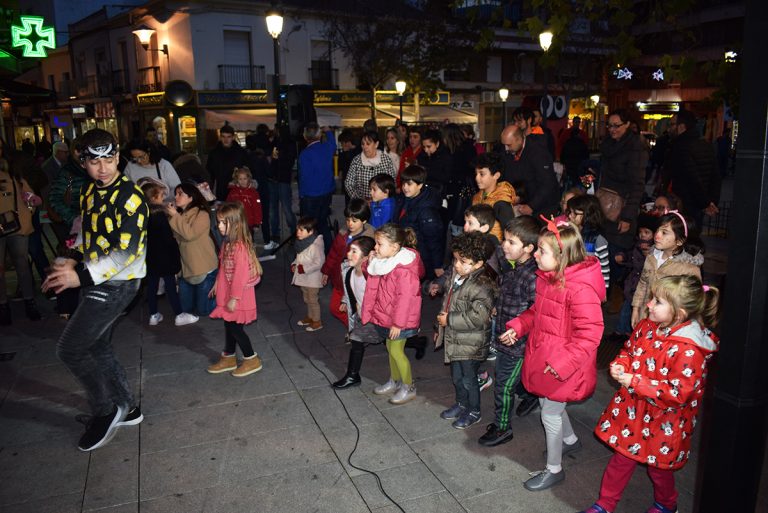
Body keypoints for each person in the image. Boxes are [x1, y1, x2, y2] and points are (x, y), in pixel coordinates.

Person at [42, 128, 147, 451]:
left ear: (118, 158)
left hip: (119, 284)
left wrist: (79, 277)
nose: (103, 167)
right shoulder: (90, 192)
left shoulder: (131, 197)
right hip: (96, 278)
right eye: (94, 161)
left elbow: (125, 254)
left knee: (70, 349)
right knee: (98, 346)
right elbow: (87, 234)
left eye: (109, 159)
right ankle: (127, 408)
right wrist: (71, 259)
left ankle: (105, 411)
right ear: (83, 162)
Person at [578, 275, 719, 513]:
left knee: (659, 467)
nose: (649, 304)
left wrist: (636, 381)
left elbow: (678, 393)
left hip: (665, 421)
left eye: (658, 302)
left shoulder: (690, 350)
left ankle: (666, 504)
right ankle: (605, 503)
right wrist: (621, 363)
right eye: (652, 298)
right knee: (621, 458)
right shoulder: (648, 326)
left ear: (680, 313)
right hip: (634, 412)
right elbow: (630, 350)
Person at [501, 219, 605, 491]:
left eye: (541, 251)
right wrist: (517, 327)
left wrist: (561, 363)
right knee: (551, 403)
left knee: (549, 412)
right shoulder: (549, 279)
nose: (535, 255)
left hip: (564, 365)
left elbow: (590, 334)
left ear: (562, 257)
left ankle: (554, 469)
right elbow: (537, 313)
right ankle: (570, 441)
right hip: (547, 356)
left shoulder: (580, 289)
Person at [478, 216, 540, 447]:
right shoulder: (513, 266)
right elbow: (510, 295)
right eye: (505, 239)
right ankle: (531, 396)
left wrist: (517, 331)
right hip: (505, 336)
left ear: (528, 248)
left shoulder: (532, 276)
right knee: (516, 379)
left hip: (518, 344)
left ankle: (503, 427)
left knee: (503, 386)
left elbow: (536, 311)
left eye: (511, 242)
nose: (504, 245)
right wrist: (497, 307)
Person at [434, 232, 497, 429]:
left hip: (472, 343)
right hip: (455, 339)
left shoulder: (481, 285)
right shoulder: (457, 276)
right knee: (457, 377)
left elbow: (478, 317)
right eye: (455, 259)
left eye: (463, 261)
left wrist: (449, 320)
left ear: (478, 264)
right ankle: (461, 404)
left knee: (469, 380)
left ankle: (474, 411)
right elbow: (447, 303)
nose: (457, 265)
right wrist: (440, 328)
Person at [364, 223, 424, 404]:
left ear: (395, 247)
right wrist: (370, 261)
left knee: (397, 351)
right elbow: (371, 278)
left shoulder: (403, 269)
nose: (375, 247)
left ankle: (408, 386)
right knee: (390, 348)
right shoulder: (384, 262)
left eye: (379, 244)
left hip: (401, 320)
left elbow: (405, 299)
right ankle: (395, 381)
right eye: (376, 243)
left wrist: (398, 324)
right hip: (387, 315)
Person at [206, 202, 264, 377]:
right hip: (228, 292)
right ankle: (229, 357)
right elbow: (223, 266)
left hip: (238, 295)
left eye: (224, 223)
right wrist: (217, 283)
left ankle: (251, 358)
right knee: (229, 324)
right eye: (219, 222)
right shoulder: (227, 243)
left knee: (235, 328)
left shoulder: (239, 247)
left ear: (237, 223)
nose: (220, 226)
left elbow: (240, 274)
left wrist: (234, 298)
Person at [597, 109, 647, 310]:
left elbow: (638, 185)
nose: (612, 129)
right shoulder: (608, 145)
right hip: (604, 206)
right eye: (609, 125)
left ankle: (620, 299)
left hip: (621, 210)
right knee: (604, 254)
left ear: (627, 125)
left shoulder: (635, 148)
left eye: (616, 125)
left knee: (616, 256)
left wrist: (627, 216)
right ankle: (607, 297)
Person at [631, 212, 704, 327]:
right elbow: (643, 284)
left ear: (680, 241)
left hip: (670, 324)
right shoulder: (651, 258)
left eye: (664, 233)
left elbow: (693, 301)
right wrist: (636, 308)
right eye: (657, 230)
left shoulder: (688, 268)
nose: (657, 236)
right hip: (646, 315)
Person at [331, 236, 382, 389]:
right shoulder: (349, 271)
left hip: (378, 318)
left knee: (394, 340)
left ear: (366, 257)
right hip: (362, 317)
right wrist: (345, 301)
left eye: (354, 252)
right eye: (349, 250)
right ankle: (353, 376)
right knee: (356, 340)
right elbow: (351, 290)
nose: (348, 254)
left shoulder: (372, 276)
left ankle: (417, 342)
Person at [48, 139, 89, 318]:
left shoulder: (100, 170)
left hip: (99, 223)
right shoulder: (69, 172)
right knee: (70, 260)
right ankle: (67, 307)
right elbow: (55, 198)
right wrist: (73, 217)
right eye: (78, 152)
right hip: (75, 225)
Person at [166, 182, 218, 319]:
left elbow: (190, 235)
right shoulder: (181, 215)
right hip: (186, 268)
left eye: (180, 194)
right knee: (186, 309)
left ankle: (224, 296)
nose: (176, 197)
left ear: (191, 197)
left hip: (203, 266)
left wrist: (175, 216)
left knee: (204, 311)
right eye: (176, 194)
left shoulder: (201, 214)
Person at [661, 109, 721, 227]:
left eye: (672, 124)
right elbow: (716, 177)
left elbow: (692, 177)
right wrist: (711, 202)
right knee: (693, 236)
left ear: (681, 127)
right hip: (699, 204)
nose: (669, 128)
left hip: (684, 203)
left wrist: (706, 203)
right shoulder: (705, 144)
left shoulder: (680, 146)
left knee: (681, 236)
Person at [0, 155, 42, 324]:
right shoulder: (15, 177)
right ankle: (16, 304)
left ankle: (17, 304)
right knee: (19, 266)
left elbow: (32, 199)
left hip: (17, 226)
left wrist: (29, 208)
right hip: (17, 225)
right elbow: (33, 199)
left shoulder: (15, 178)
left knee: (20, 266)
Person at [321, 199, 375, 328]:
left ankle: (357, 334)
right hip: (339, 280)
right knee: (335, 308)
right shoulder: (342, 234)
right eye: (348, 220)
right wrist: (326, 272)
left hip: (356, 284)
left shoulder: (368, 240)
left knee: (356, 310)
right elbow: (333, 254)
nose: (350, 224)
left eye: (354, 221)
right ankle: (354, 330)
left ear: (364, 221)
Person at [140, 182, 188, 327]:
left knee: (152, 286)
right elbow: (168, 238)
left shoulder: (142, 214)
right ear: (154, 197)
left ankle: (153, 315)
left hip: (150, 256)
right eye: (161, 195)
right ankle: (179, 314)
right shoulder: (160, 215)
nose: (164, 198)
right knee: (170, 286)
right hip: (165, 256)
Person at [609, 213, 658, 342]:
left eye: (647, 232)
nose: (643, 235)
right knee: (625, 309)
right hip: (632, 284)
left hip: (643, 287)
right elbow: (630, 256)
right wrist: (623, 257)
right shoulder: (637, 245)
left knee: (639, 311)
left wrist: (647, 255)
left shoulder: (654, 250)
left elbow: (649, 267)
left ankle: (633, 332)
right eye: (641, 232)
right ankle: (620, 331)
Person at [500, 125, 560, 218]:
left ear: (519, 139)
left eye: (508, 145)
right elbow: (508, 176)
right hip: (523, 202)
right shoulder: (510, 152)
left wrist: (532, 205)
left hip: (543, 206)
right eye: (504, 145)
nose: (506, 149)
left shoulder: (538, 152)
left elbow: (548, 183)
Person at [398, 164, 445, 280]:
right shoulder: (407, 198)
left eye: (409, 184)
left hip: (421, 257)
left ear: (420, 185)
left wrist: (437, 265)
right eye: (403, 183)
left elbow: (433, 239)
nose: (405, 187)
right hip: (408, 251)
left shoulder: (426, 210)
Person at [298, 123, 336, 254]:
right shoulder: (326, 148)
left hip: (310, 194)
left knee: (309, 225)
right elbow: (333, 143)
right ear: (319, 135)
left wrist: (301, 195)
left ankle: (311, 252)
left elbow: (303, 177)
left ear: (305, 137)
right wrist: (329, 131)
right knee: (323, 223)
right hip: (326, 193)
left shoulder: (304, 154)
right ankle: (328, 251)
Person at [567, 195, 610, 290]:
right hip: (571, 283)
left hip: (589, 286)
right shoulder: (571, 233)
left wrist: (604, 289)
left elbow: (604, 267)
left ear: (587, 215)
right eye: (569, 212)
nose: (570, 216)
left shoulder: (597, 238)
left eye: (575, 213)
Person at [471, 152, 516, 241]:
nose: (477, 178)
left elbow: (510, 234)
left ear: (496, 175)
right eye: (476, 174)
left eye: (482, 174)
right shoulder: (477, 197)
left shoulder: (501, 202)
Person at [291, 216, 325, 332]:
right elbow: (299, 257)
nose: (298, 233)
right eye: (297, 230)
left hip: (312, 279)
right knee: (307, 298)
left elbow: (319, 263)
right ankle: (310, 317)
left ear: (310, 232)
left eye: (301, 230)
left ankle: (317, 321)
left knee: (312, 300)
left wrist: (304, 269)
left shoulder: (315, 246)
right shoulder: (302, 243)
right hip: (304, 278)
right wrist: (294, 264)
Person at [266, 126, 297, 249]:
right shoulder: (275, 142)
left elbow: (288, 161)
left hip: (282, 179)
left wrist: (277, 157)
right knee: (274, 210)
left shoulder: (288, 144)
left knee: (285, 209)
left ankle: (292, 233)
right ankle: (276, 236)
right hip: (275, 179)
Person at [345, 131, 396, 201]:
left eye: (368, 144)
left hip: (382, 202)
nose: (365, 147)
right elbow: (348, 183)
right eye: (362, 144)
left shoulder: (386, 160)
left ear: (376, 144)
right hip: (362, 203)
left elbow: (391, 183)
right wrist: (359, 200)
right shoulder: (357, 160)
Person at [207, 124, 248, 201]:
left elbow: (247, 170)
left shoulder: (241, 152)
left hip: (237, 187)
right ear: (220, 137)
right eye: (223, 136)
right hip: (221, 188)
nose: (226, 140)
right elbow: (210, 172)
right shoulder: (214, 153)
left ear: (233, 137)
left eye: (228, 137)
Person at [225, 166, 263, 240]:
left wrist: (257, 224)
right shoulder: (233, 192)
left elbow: (257, 208)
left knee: (248, 241)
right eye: (240, 179)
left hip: (249, 223)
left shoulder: (253, 192)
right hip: (236, 222)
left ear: (248, 178)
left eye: (245, 179)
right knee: (236, 241)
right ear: (237, 180)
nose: (243, 181)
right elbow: (228, 205)